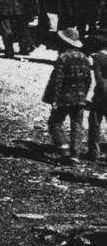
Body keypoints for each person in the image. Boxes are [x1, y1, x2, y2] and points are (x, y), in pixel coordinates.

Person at [44, 27, 92, 162]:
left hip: (64, 98)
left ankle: (63, 146)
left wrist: (54, 99)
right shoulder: (85, 58)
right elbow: (88, 79)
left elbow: (57, 80)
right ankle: (75, 155)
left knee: (55, 122)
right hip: (80, 98)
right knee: (77, 126)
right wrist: (84, 94)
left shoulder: (63, 57)